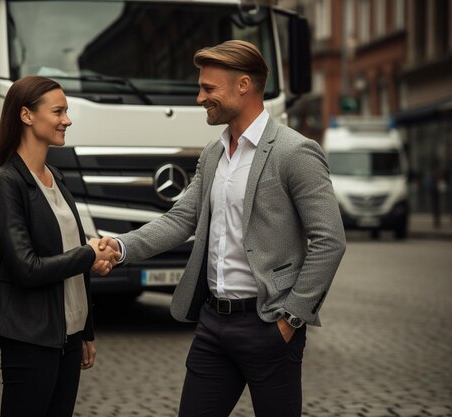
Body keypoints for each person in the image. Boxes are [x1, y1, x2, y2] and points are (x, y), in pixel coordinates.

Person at [99, 40, 346, 416]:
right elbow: (181, 218)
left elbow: (329, 240)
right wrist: (120, 246)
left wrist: (292, 316)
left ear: (243, 86)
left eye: (208, 88)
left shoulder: (294, 152)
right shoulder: (214, 152)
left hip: (269, 324)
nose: (200, 98)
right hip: (213, 326)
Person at [0, 76, 119, 417]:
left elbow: (69, 251)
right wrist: (89, 255)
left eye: (67, 112)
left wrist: (85, 330)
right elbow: (26, 268)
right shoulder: (4, 184)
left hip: (68, 337)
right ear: (26, 116)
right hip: (30, 337)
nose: (67, 120)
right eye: (58, 111)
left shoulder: (56, 177)